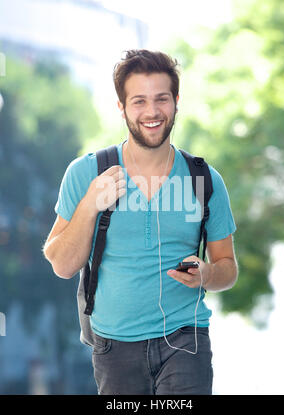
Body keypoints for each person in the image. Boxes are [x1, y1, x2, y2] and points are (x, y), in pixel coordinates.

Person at [43, 49, 238, 395]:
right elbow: (62, 264)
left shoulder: (204, 180)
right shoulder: (87, 172)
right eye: (139, 101)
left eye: (162, 99)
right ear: (121, 107)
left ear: (176, 102)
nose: (152, 112)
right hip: (114, 346)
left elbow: (228, 267)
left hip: (185, 338)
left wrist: (207, 274)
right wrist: (90, 204)